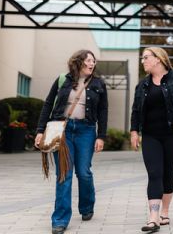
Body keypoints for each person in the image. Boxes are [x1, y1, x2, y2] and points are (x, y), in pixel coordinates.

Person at [35, 49, 108, 234]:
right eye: (88, 60)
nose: (92, 64)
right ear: (78, 62)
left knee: (83, 173)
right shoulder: (63, 80)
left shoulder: (99, 83)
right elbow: (48, 104)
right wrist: (40, 131)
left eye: (93, 61)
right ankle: (59, 219)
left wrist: (101, 136)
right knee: (64, 174)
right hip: (63, 131)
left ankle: (86, 206)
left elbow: (103, 111)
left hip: (86, 131)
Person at [130, 47, 173, 233]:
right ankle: (154, 217)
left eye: (146, 58)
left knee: (167, 173)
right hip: (150, 135)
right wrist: (134, 131)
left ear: (158, 59)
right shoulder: (142, 85)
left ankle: (165, 211)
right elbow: (135, 110)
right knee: (154, 173)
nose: (143, 61)